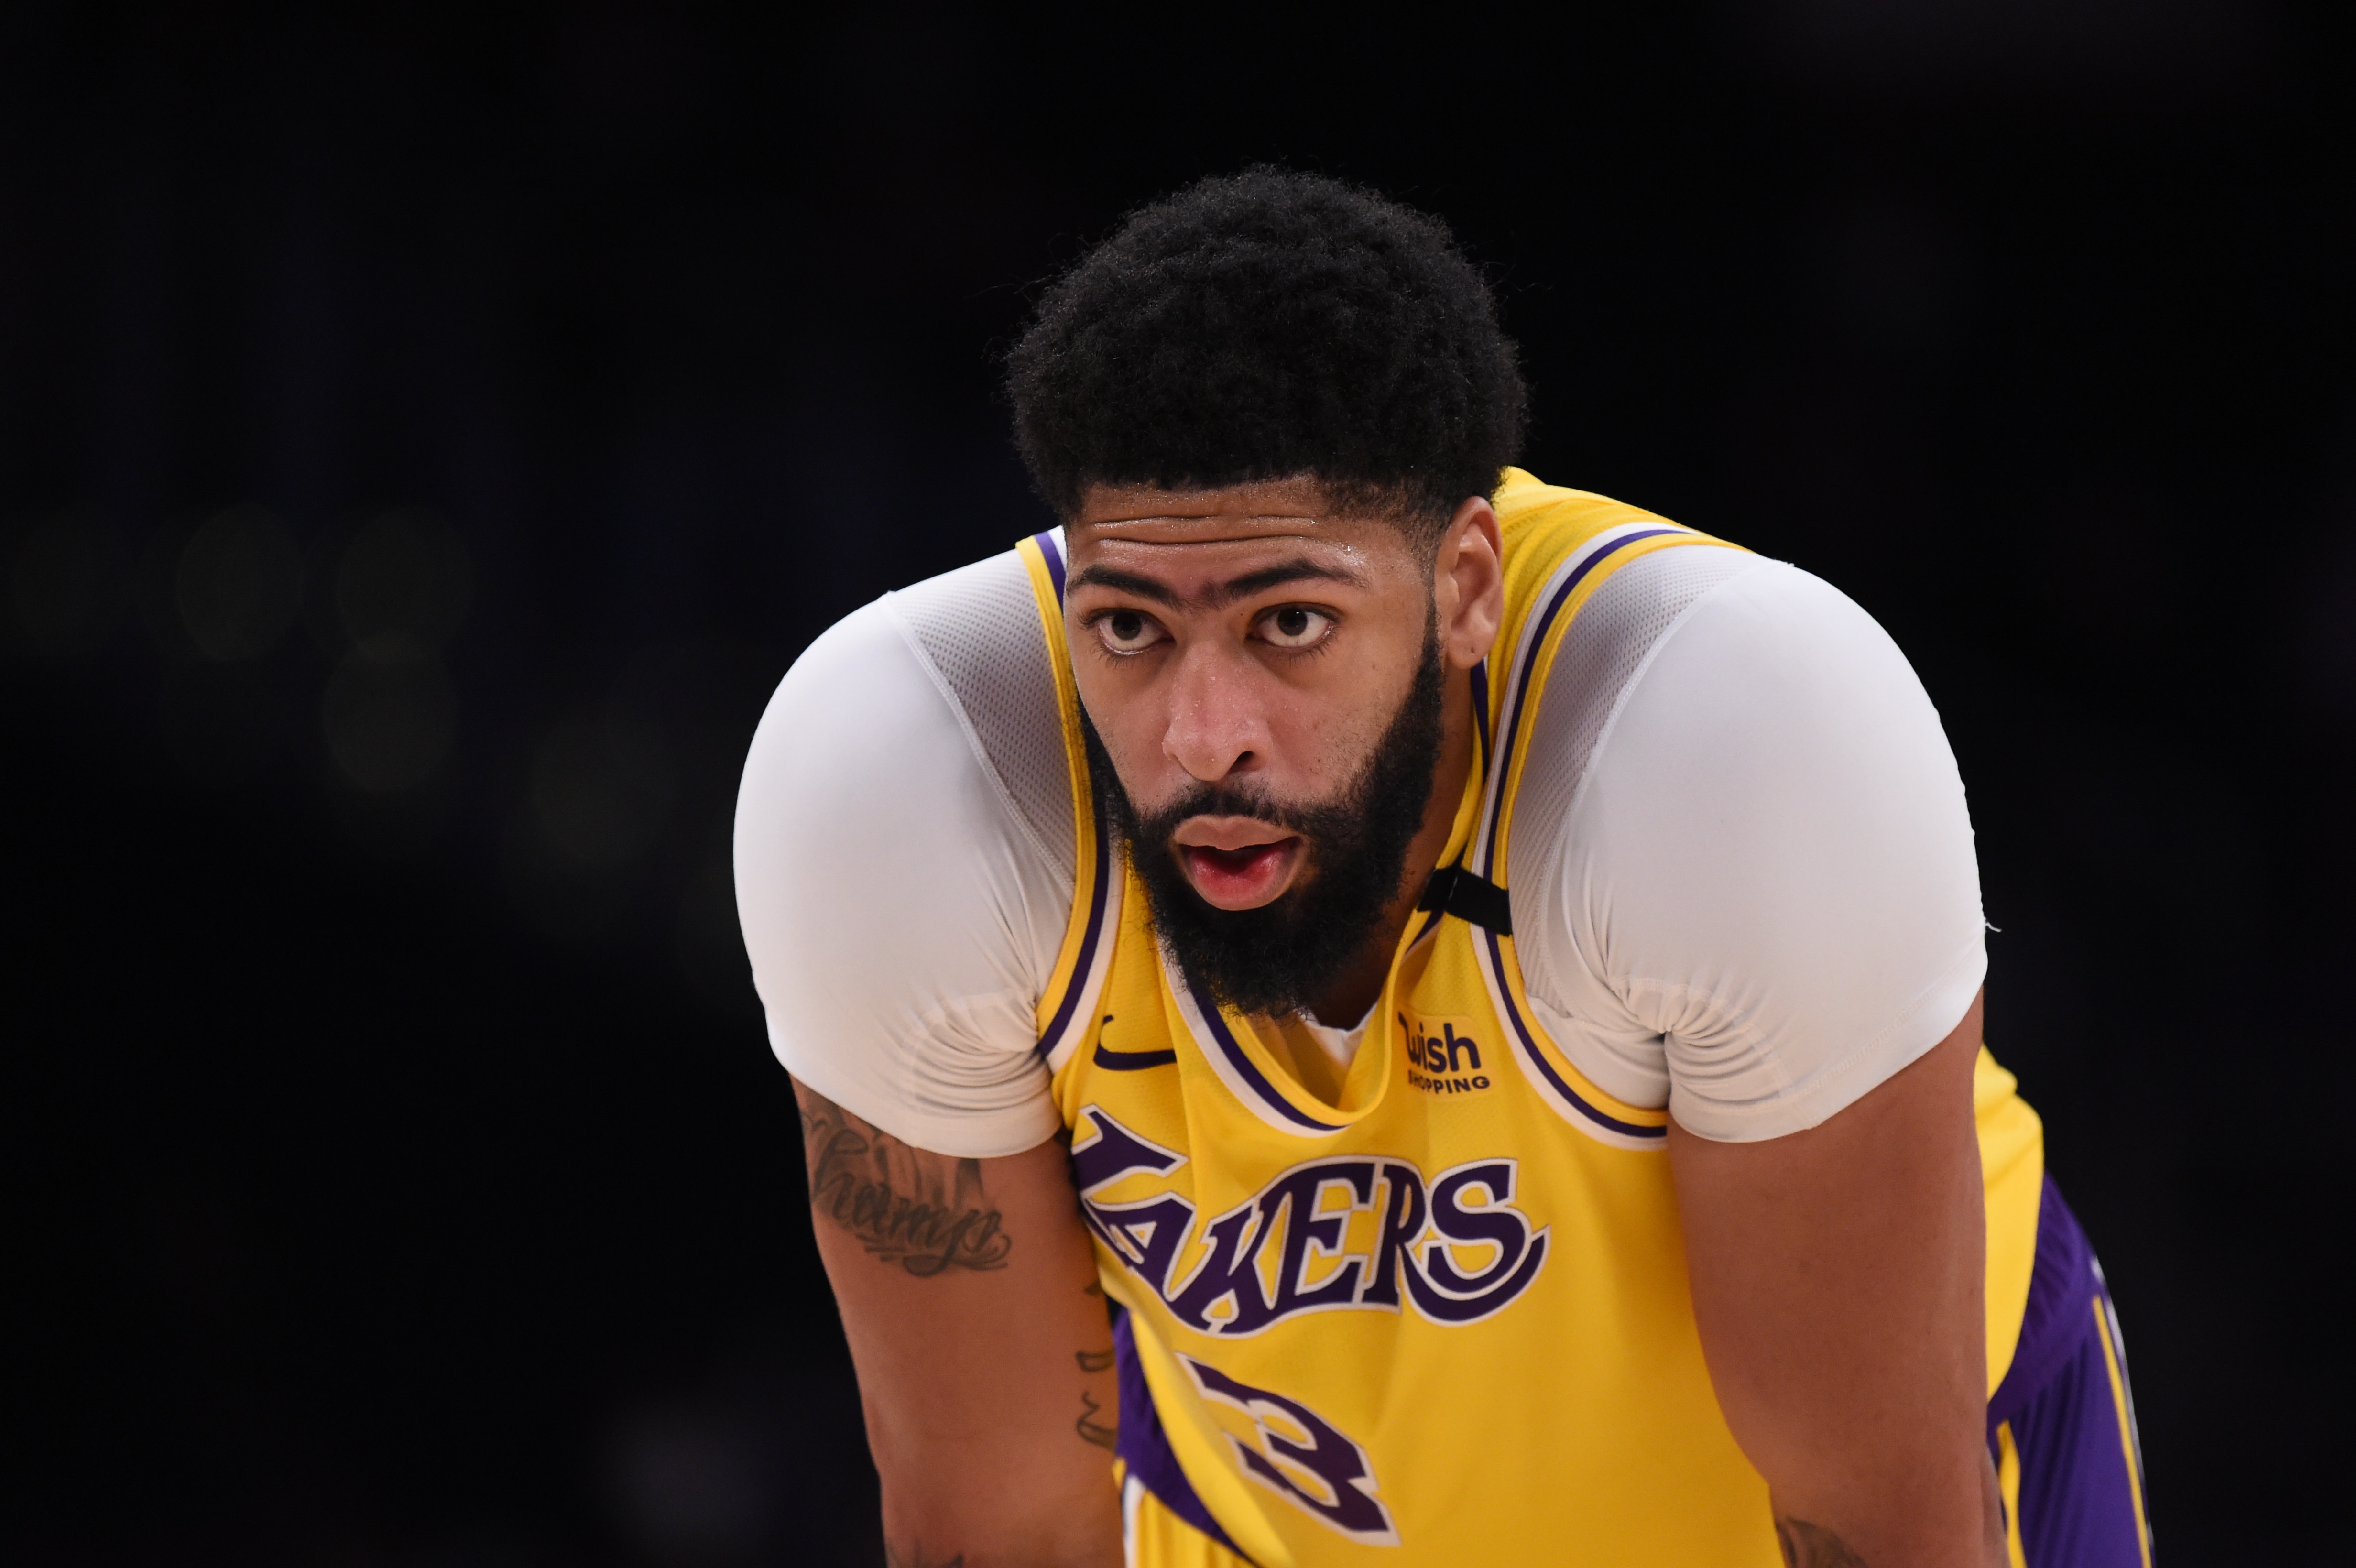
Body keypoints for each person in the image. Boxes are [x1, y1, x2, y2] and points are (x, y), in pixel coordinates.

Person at [733, 170, 2152, 1568]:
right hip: (1270, 1532)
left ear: (1466, 588)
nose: (1203, 736)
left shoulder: (1721, 738)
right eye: (1129, 629)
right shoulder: (918, 776)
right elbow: (1005, 1528)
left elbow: (1880, 1524)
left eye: (1289, 622)